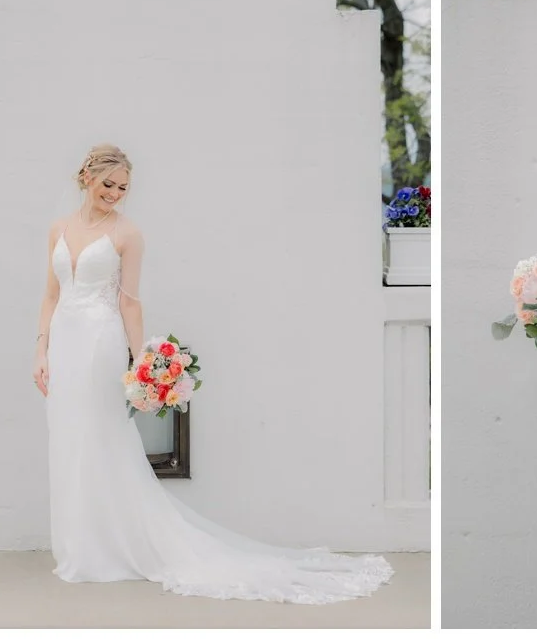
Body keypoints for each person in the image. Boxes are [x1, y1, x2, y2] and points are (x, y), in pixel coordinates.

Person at [33, 144, 392, 604]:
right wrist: (40, 349)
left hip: (102, 345)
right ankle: (80, 549)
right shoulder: (58, 229)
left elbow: (130, 301)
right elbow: (49, 295)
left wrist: (141, 361)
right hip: (64, 344)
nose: (116, 194)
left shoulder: (129, 233)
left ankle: (113, 548)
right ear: (87, 176)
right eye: (109, 184)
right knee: (68, 441)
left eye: (124, 188)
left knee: (102, 440)